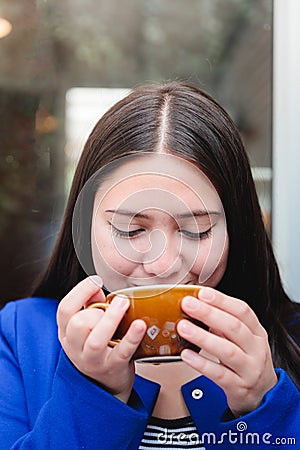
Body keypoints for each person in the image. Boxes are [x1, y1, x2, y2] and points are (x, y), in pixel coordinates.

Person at [0, 82, 299, 450]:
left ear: (236, 229)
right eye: (131, 229)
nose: (163, 264)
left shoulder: (292, 343)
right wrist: (95, 393)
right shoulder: (20, 336)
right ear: (84, 224)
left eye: (196, 229)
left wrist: (264, 406)